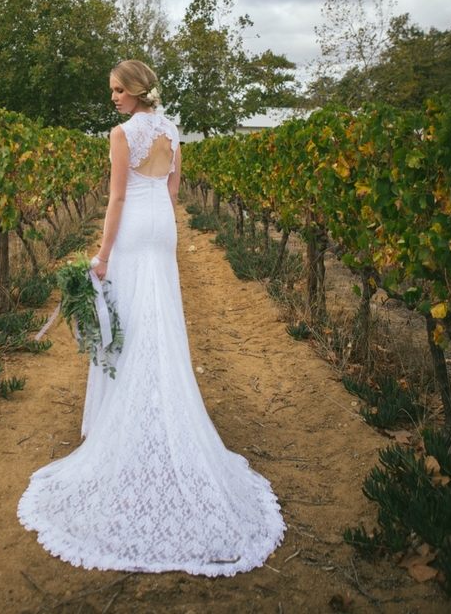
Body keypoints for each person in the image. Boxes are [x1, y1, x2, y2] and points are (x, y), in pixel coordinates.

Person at [17, 60, 284, 575]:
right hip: (163, 227)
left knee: (132, 323)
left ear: (137, 91)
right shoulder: (171, 129)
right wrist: (160, 223)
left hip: (136, 226)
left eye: (118, 89)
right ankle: (163, 406)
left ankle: (134, 417)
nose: (113, 97)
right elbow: (174, 190)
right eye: (112, 90)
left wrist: (102, 255)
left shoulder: (122, 134)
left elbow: (117, 196)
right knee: (160, 317)